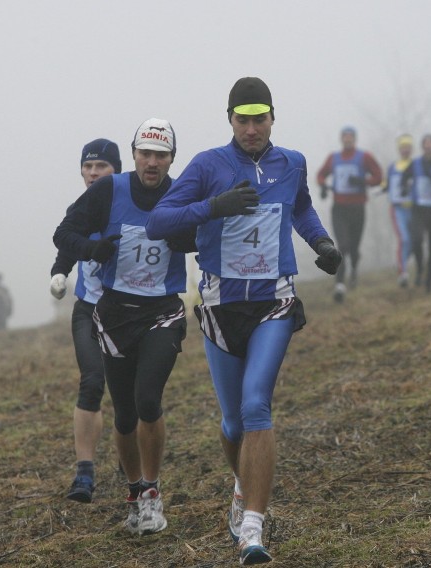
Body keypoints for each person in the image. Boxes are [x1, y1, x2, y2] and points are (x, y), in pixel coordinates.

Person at [146, 77, 342, 565]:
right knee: (233, 422)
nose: (252, 128)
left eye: (260, 119)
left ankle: (252, 528)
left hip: (274, 300)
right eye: (242, 120)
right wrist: (215, 206)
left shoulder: (291, 163)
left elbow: (300, 207)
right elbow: (159, 221)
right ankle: (242, 485)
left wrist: (321, 243)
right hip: (219, 305)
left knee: (257, 407)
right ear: (230, 120)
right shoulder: (209, 165)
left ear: (273, 118)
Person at [54, 118, 194, 536]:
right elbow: (64, 233)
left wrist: (186, 240)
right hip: (114, 315)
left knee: (148, 399)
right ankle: (133, 492)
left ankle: (152, 491)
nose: (152, 163)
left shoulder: (181, 192)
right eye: (146, 154)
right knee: (125, 415)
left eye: (161, 155)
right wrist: (91, 249)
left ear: (172, 158)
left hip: (163, 313)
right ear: (134, 155)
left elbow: (204, 236)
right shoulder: (109, 191)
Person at [49, 138, 122, 506]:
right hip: (88, 309)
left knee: (131, 393)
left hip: (127, 312)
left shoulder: (129, 205)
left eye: (102, 167)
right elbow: (68, 245)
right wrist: (59, 273)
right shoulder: (77, 209)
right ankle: (85, 472)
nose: (93, 173)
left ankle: (132, 459)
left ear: (116, 171)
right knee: (92, 381)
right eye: (88, 167)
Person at [315, 125, 383, 303]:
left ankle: (353, 271)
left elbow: (378, 177)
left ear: (355, 139)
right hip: (339, 208)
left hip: (358, 208)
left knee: (354, 247)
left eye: (350, 137)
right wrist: (323, 185)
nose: (347, 139)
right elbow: (320, 175)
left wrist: (363, 181)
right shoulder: (334, 158)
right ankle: (339, 285)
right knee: (342, 245)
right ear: (341, 139)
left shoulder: (364, 157)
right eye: (344, 136)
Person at [399, 134, 431, 293]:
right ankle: (420, 268)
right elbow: (404, 177)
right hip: (418, 209)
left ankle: (429, 280)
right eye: (425, 144)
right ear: (422, 147)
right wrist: (404, 187)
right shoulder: (415, 164)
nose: (428, 146)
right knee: (416, 240)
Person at [381, 134, 415, 287]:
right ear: (399, 149)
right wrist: (383, 187)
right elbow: (385, 183)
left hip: (414, 209)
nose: (405, 150)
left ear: (411, 149)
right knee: (404, 238)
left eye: (408, 147)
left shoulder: (416, 165)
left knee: (414, 241)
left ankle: (401, 261)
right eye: (403, 147)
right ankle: (403, 272)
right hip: (397, 209)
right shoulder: (393, 167)